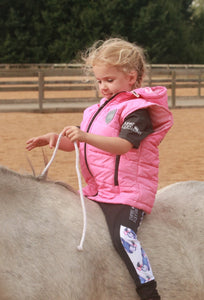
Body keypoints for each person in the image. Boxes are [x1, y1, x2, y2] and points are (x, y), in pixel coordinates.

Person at [26, 38, 173, 300]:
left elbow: (122, 145)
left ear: (131, 77)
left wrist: (84, 137)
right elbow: (83, 145)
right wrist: (57, 139)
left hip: (128, 193)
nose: (103, 86)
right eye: (99, 81)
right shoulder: (94, 110)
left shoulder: (137, 110)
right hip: (98, 191)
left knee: (122, 236)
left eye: (109, 80)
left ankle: (149, 292)